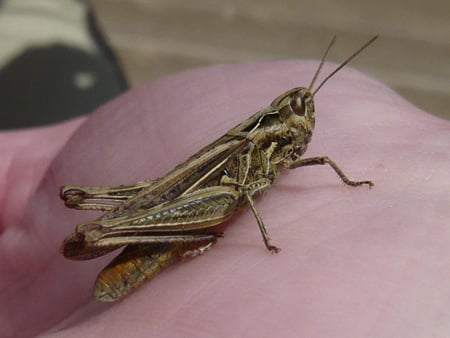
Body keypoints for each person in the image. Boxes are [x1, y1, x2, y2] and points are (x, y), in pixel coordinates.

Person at [1, 61, 449, 337]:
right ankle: (108, 229)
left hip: (189, 207)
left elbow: (305, 164)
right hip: (186, 205)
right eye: (297, 112)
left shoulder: (272, 148)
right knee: (235, 192)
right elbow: (242, 195)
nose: (306, 122)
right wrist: (267, 240)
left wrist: (350, 185)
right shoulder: (252, 150)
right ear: (276, 120)